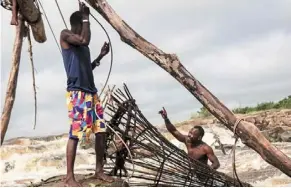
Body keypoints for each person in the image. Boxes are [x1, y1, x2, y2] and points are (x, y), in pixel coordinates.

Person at [60, 2, 113, 186]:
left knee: (100, 131)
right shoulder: (65, 34)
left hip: (91, 93)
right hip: (77, 93)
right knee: (75, 133)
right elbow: (84, 39)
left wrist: (99, 57)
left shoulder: (84, 48)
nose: (85, 28)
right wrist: (86, 17)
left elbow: (86, 69)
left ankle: (99, 171)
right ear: (78, 24)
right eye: (83, 25)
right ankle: (69, 177)